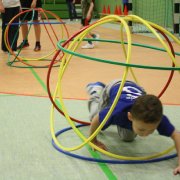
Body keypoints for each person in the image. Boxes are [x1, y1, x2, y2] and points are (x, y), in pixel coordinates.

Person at [86, 80, 180, 175]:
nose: (145, 134)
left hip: (137, 91)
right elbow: (96, 119)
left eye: (151, 130)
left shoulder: (156, 117)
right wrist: (93, 141)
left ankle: (128, 125)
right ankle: (96, 90)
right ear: (130, 116)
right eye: (142, 129)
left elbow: (177, 135)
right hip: (115, 87)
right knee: (97, 120)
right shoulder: (116, 112)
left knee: (128, 138)